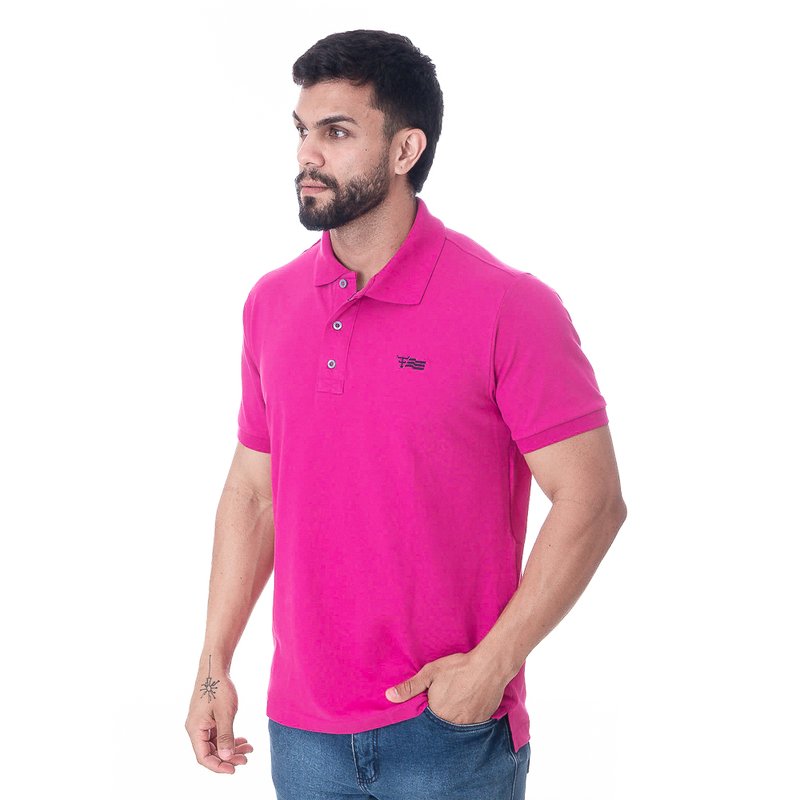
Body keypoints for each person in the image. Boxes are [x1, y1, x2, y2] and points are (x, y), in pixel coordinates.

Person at [185, 29, 626, 800]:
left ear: (404, 149)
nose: (307, 154)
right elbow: (253, 494)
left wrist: (489, 670)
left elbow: (592, 499)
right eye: (302, 130)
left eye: (337, 132)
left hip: (447, 728)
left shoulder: (509, 306)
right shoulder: (271, 304)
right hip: (303, 733)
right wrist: (213, 667)